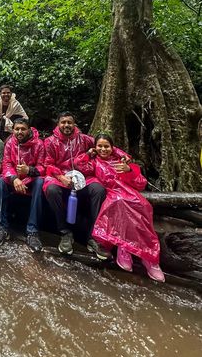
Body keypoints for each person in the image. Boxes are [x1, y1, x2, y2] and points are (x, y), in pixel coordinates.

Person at [74, 134, 165, 282]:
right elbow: (79, 164)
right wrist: (88, 154)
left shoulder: (121, 162)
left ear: (112, 147)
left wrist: (129, 170)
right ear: (95, 148)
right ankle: (124, 248)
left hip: (130, 193)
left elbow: (141, 183)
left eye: (106, 146)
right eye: (100, 146)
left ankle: (150, 258)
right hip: (113, 194)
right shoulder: (95, 162)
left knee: (142, 206)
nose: (103, 149)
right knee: (119, 204)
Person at [43, 112, 110, 259]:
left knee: (98, 189)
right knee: (51, 189)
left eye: (69, 122)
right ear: (58, 124)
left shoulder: (84, 139)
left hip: (83, 178)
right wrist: (61, 177)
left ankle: (93, 237)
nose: (66, 125)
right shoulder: (50, 142)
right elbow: (47, 164)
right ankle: (65, 233)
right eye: (63, 122)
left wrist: (123, 157)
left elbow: (105, 145)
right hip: (61, 177)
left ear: (74, 124)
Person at [0, 118, 45, 252]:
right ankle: (3, 226)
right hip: (14, 179)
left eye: (23, 129)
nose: (20, 132)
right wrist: (14, 178)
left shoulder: (38, 144)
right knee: (1, 180)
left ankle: (32, 230)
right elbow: (6, 163)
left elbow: (43, 166)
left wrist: (29, 171)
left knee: (40, 182)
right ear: (13, 130)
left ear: (29, 130)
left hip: (31, 180)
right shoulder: (10, 143)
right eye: (17, 129)